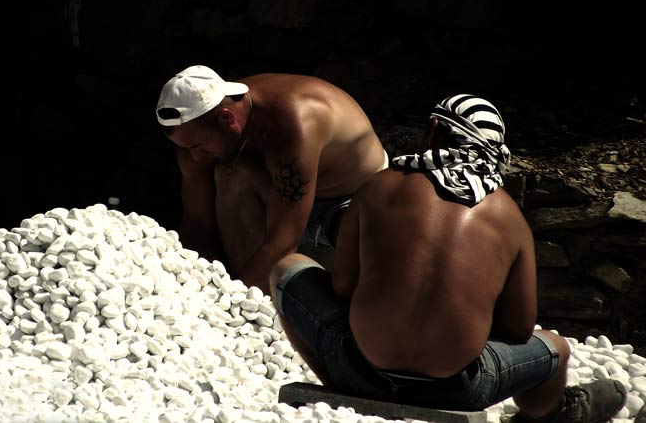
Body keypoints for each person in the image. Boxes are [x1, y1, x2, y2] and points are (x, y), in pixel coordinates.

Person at [269, 94, 628, 422]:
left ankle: (338, 385)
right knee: (557, 347)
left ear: (435, 132)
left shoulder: (381, 186)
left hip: (356, 368)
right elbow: (518, 328)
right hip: (461, 390)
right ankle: (551, 414)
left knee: (288, 267)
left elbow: (343, 286)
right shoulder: (509, 218)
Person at [155, 64, 388, 294]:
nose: (195, 156)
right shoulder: (193, 131)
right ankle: (259, 299)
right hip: (280, 192)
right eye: (187, 148)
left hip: (348, 200)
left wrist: (230, 304)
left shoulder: (294, 122)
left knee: (367, 242)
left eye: (197, 146)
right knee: (233, 174)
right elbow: (197, 226)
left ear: (227, 119)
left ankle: (268, 306)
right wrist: (200, 285)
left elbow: (283, 242)